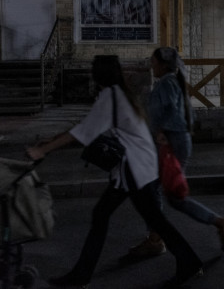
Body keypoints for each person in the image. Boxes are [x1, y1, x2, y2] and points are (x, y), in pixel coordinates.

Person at [26, 55, 203, 288]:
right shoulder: (118, 94)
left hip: (136, 169)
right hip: (135, 167)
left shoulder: (110, 97)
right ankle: (81, 275)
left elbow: (82, 133)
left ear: (98, 74)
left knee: (151, 220)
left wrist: (43, 150)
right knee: (107, 215)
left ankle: (189, 262)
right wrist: (52, 141)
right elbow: (86, 126)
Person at [128, 47, 224, 258]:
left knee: (167, 194)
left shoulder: (167, 83)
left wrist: (162, 132)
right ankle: (156, 237)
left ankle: (219, 223)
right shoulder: (171, 81)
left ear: (163, 65)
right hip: (175, 140)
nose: (151, 66)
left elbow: (172, 111)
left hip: (172, 142)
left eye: (154, 62)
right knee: (155, 190)